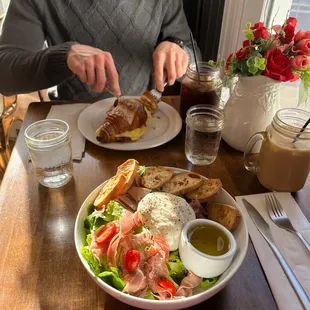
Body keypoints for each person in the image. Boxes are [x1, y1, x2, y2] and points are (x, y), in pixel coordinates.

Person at [0, 0, 198, 100]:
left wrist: (179, 50)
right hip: (73, 128)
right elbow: (4, 76)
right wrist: (64, 57)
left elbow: (197, 64)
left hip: (148, 124)